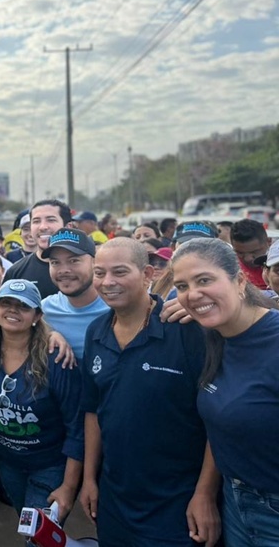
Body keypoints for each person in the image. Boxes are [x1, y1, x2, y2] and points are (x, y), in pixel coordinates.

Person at [78, 237, 219, 547]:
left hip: (178, 503)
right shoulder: (96, 332)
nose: (107, 282)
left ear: (147, 274)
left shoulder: (186, 329)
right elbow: (93, 410)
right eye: (99, 273)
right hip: (115, 499)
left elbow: (217, 421)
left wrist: (205, 493)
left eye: (120, 271)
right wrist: (89, 478)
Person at [172, 238, 279, 545]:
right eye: (182, 286)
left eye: (204, 280)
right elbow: (221, 425)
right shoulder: (213, 336)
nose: (193, 294)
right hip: (233, 502)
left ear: (240, 281)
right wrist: (205, 492)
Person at [0, 279, 84, 526]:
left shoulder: (57, 360)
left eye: (23, 306)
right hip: (7, 463)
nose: (13, 310)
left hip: (49, 466)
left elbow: (77, 427)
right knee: (28, 527)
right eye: (6, 303)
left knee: (38, 536)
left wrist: (69, 487)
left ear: (37, 316)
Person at [40, 228, 109, 365]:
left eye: (73, 260)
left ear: (94, 262)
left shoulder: (116, 307)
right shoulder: (44, 310)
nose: (64, 270)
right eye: (55, 262)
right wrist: (47, 334)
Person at [4, 199, 71, 299]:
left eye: (51, 220)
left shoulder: (86, 267)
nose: (42, 227)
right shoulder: (16, 272)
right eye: (36, 221)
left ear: (68, 226)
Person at [230, 218, 269, 289]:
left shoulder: (276, 263)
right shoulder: (228, 268)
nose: (248, 259)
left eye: (254, 252)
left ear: (268, 242)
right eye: (240, 253)